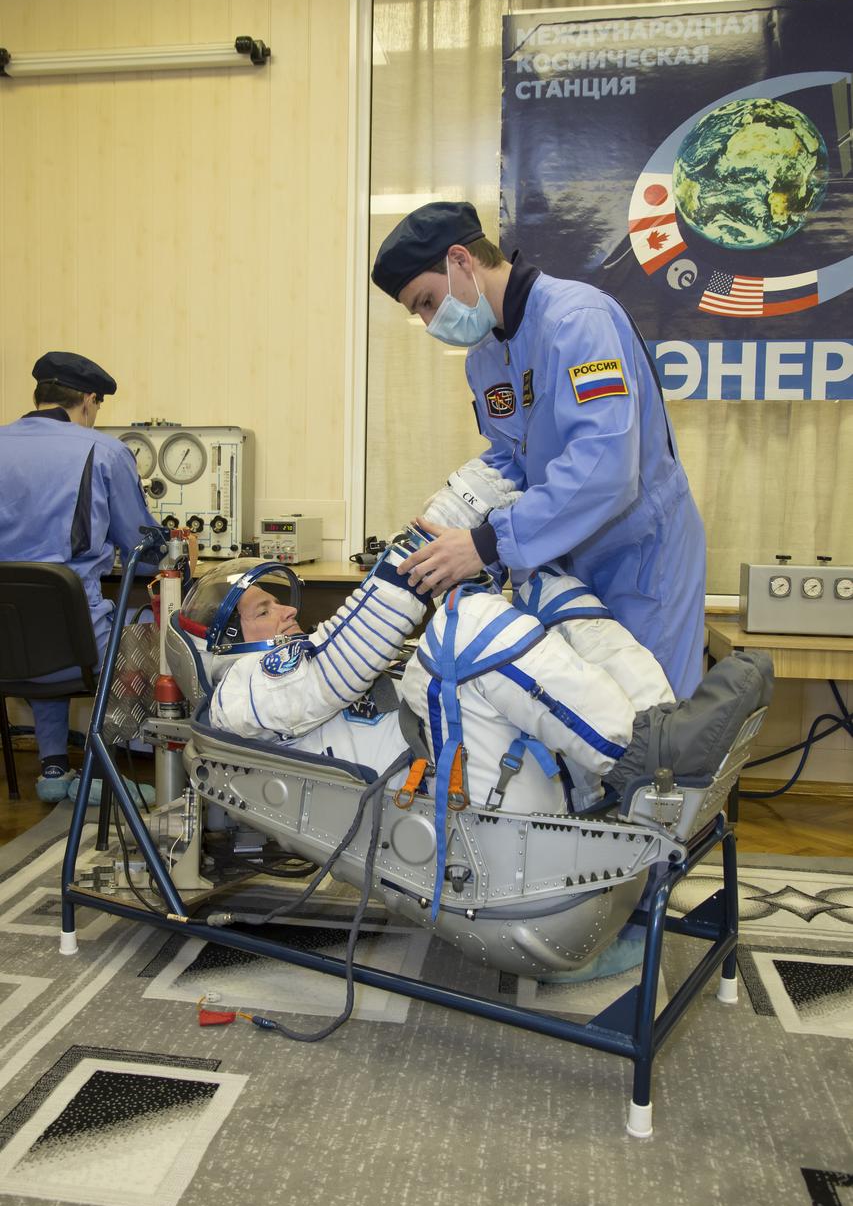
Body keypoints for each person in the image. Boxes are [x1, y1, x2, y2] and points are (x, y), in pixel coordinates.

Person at [171, 534, 771, 980]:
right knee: (463, 625)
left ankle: (662, 750)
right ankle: (645, 756)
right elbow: (335, 667)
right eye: (264, 611)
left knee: (545, 585)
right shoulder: (241, 691)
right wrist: (425, 562)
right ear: (224, 646)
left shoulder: (291, 676)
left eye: (279, 604)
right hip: (488, 860)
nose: (287, 612)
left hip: (515, 817)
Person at [370, 200, 707, 700]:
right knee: (588, 723)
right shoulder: (485, 357)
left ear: (460, 260)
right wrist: (457, 510)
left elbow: (605, 465)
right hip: (563, 558)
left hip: (640, 557)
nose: (429, 321)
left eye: (427, 301)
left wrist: (486, 543)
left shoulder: (577, 320)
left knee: (656, 718)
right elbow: (513, 459)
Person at [0, 351, 161, 801]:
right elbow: (143, 553)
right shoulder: (105, 451)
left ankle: (53, 769)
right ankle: (106, 767)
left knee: (37, 621)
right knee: (152, 626)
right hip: (77, 646)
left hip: (7, 642)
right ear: (89, 400)